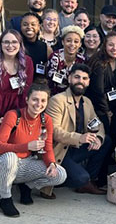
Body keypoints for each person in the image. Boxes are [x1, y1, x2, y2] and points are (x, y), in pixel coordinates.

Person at [0, 83, 65, 217]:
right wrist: (26, 146)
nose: (38, 104)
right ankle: (5, 199)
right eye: (35, 99)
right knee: (10, 157)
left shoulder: (45, 120)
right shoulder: (13, 115)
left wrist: (52, 164)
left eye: (43, 100)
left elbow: (47, 148)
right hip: (2, 165)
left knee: (60, 174)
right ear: (27, 100)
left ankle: (27, 187)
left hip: (25, 164)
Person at [46, 64, 107, 195]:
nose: (81, 81)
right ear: (69, 78)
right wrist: (80, 138)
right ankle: (65, 180)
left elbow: (98, 124)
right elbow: (55, 131)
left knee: (106, 140)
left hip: (77, 148)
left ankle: (88, 182)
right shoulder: (57, 100)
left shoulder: (87, 101)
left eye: (85, 78)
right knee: (80, 178)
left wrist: (98, 138)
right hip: (62, 149)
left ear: (88, 82)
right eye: (77, 77)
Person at [86, 31, 116, 163]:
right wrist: (107, 111)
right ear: (105, 45)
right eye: (111, 45)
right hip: (100, 109)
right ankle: (99, 177)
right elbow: (98, 91)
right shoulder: (99, 63)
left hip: (114, 106)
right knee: (105, 140)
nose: (115, 48)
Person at [0, 30, 34, 122]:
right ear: (0, 44)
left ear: (20, 44)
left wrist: (18, 115)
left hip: (17, 110)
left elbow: (26, 91)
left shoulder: (27, 62)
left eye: (14, 42)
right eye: (6, 42)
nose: (10, 46)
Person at [46, 25, 85, 96]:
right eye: (68, 41)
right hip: (54, 96)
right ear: (63, 42)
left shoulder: (82, 60)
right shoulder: (55, 57)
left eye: (76, 42)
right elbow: (51, 77)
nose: (72, 44)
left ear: (80, 44)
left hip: (74, 96)